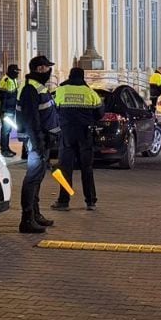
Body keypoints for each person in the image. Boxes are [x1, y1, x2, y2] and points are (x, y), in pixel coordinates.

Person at [15, 55, 61, 233]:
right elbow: (31, 119)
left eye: (48, 68)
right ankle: (27, 219)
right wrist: (38, 142)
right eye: (45, 68)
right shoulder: (29, 89)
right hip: (36, 142)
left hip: (43, 140)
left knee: (38, 179)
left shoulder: (39, 87)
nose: (48, 71)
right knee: (32, 179)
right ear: (37, 69)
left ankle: (35, 214)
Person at [52, 67, 103, 212]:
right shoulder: (89, 92)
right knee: (87, 168)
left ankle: (63, 201)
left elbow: (53, 110)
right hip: (85, 135)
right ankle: (90, 201)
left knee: (65, 170)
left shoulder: (61, 90)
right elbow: (100, 113)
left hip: (66, 134)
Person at [0, 64, 20, 157]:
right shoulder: (5, 80)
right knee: (5, 130)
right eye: (16, 71)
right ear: (12, 71)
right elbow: (2, 97)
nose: (17, 73)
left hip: (12, 109)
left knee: (8, 130)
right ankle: (4, 150)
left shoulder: (13, 79)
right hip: (6, 110)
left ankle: (7, 148)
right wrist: (3, 111)